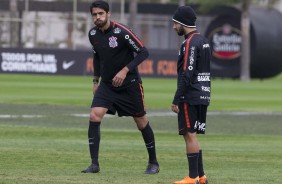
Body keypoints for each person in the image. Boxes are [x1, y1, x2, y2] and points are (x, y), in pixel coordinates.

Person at [81, 0, 159, 175]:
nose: (97, 17)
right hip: (107, 86)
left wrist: (124, 70)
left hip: (130, 85)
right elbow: (96, 57)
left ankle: (153, 162)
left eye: (101, 13)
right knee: (94, 115)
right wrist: (95, 81)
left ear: (108, 14)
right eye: (94, 14)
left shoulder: (122, 32)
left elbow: (143, 52)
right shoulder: (93, 34)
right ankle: (94, 164)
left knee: (141, 121)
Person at [170, 6, 211, 184]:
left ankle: (192, 177)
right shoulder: (203, 40)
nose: (173, 27)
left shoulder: (189, 43)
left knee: (189, 134)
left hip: (191, 94)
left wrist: (176, 98)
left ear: (182, 23)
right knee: (193, 134)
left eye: (175, 23)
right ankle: (201, 176)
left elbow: (187, 72)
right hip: (204, 93)